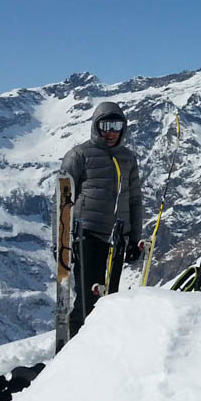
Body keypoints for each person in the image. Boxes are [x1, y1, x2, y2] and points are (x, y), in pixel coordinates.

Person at [61, 101, 144, 335]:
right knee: (88, 298)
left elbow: (135, 200)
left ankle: (101, 347)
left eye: (116, 126)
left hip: (118, 239)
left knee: (110, 298)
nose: (110, 132)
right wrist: (62, 241)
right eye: (105, 125)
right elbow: (61, 200)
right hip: (88, 236)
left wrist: (133, 239)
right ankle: (74, 345)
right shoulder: (79, 155)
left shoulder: (128, 158)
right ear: (96, 126)